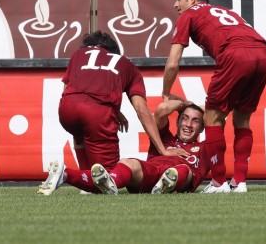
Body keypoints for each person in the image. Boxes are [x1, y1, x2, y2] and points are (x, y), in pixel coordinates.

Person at [39, 31, 187, 194]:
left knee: (79, 132)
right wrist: (162, 149)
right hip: (97, 114)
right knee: (109, 179)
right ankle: (65, 173)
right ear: (114, 50)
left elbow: (72, 90)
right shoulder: (127, 65)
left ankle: (85, 183)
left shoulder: (78, 54)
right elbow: (141, 109)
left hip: (67, 109)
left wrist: (113, 110)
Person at [162, 0, 266, 193]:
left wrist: (166, 92)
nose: (176, 5)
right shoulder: (222, 11)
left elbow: (173, 62)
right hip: (263, 53)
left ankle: (218, 182)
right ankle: (239, 182)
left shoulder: (189, 14)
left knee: (212, 118)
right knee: (242, 118)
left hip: (235, 54)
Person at [37, 99, 208, 195]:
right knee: (129, 162)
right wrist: (185, 104)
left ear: (202, 127)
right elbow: (163, 109)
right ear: (177, 122)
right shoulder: (164, 138)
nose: (188, 124)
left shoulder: (205, 148)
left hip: (182, 177)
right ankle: (110, 181)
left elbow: (218, 118)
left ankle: (67, 174)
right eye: (184, 118)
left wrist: (198, 110)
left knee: (182, 170)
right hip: (149, 175)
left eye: (195, 121)